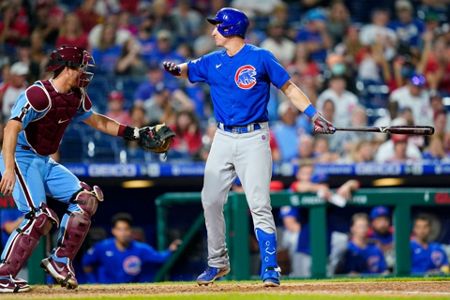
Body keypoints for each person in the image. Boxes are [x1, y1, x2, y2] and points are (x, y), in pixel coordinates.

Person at [162, 7, 334, 287]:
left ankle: (270, 267)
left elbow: (289, 87)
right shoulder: (212, 60)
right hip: (222, 137)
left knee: (258, 204)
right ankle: (217, 263)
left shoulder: (260, 57)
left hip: (255, 137)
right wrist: (175, 68)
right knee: (210, 199)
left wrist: (313, 113)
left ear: (230, 29)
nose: (213, 30)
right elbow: (188, 68)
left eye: (217, 26)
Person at [0, 46, 165, 293]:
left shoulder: (76, 95)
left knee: (86, 199)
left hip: (44, 160)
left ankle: (60, 260)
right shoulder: (38, 93)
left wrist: (135, 133)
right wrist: (9, 168)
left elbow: (97, 120)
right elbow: (11, 128)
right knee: (40, 216)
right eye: (82, 67)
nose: (85, 73)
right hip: (22, 158)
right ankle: (3, 275)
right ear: (68, 68)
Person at [82, 213, 180, 283]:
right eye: (119, 229)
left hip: (130, 291)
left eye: (126, 229)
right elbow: (86, 263)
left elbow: (161, 258)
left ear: (130, 231)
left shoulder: (141, 249)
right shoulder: (102, 247)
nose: (123, 233)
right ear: (113, 231)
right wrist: (93, 282)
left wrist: (171, 250)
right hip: (105, 290)